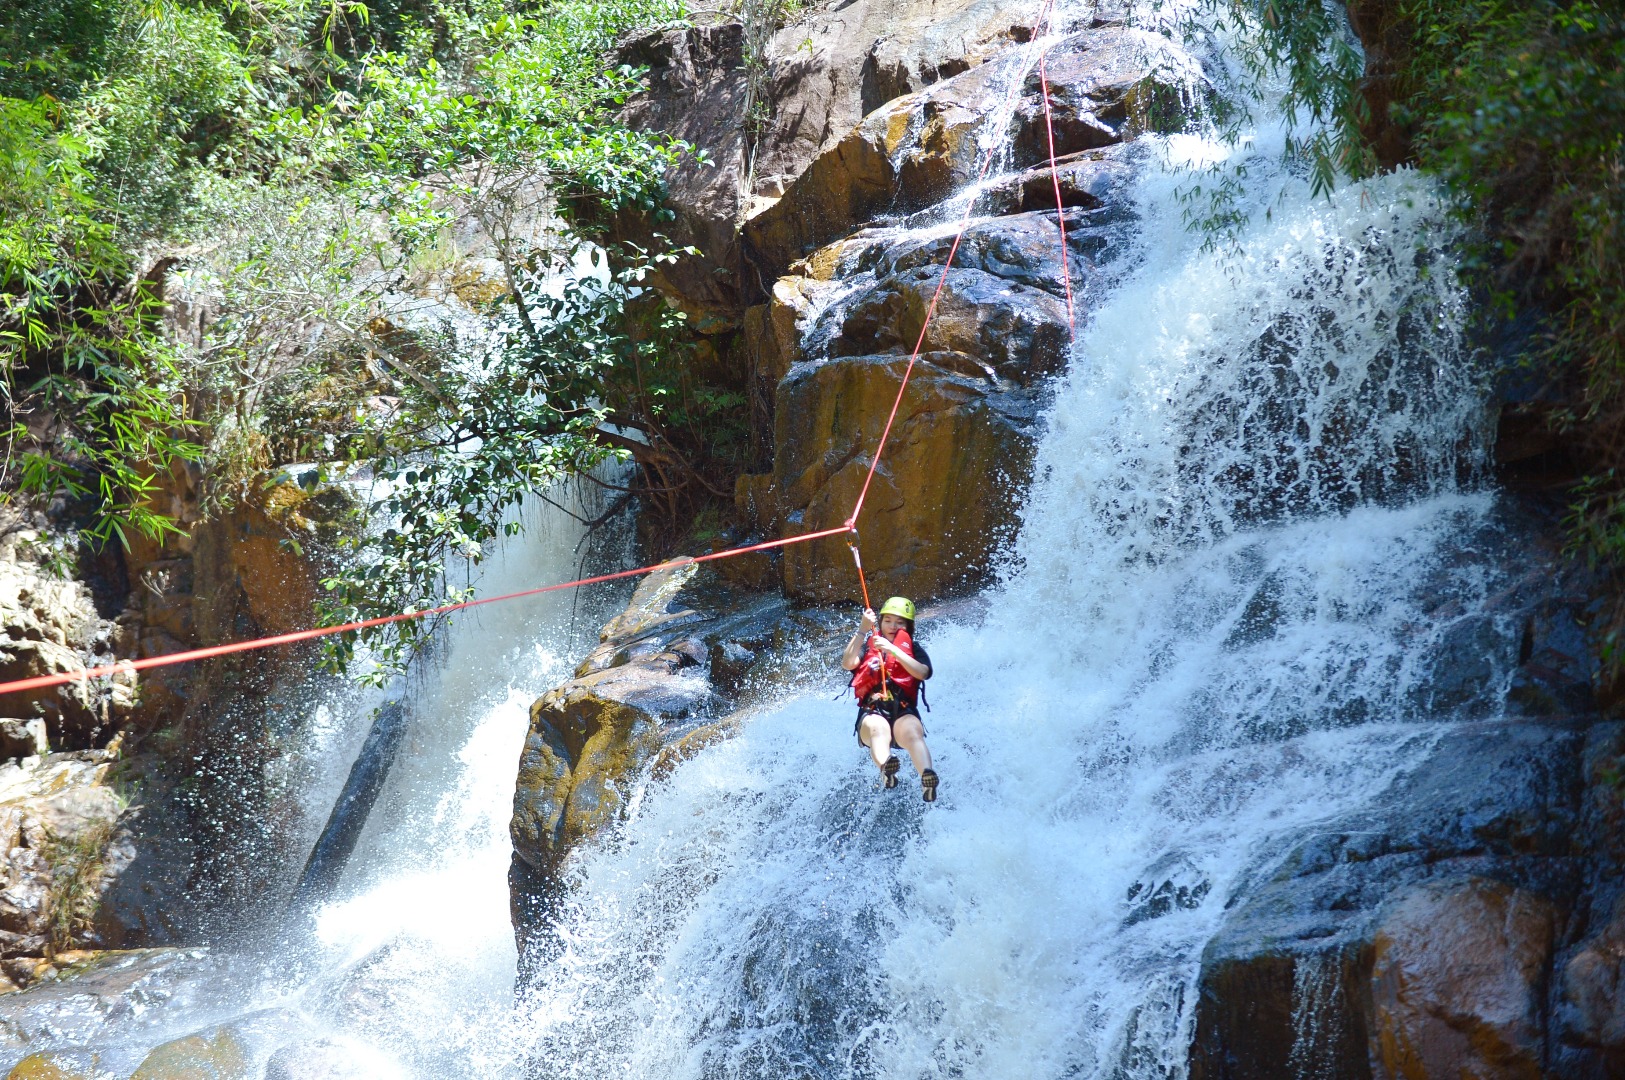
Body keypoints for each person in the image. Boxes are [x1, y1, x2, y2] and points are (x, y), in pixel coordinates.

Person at [841, 596, 938, 801]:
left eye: (900, 622)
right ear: (880, 622)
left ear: (908, 626)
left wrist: (892, 649)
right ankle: (886, 768)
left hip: (903, 711)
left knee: (913, 732)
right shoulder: (869, 645)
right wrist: (862, 630)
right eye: (888, 621)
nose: (893, 626)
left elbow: (923, 672)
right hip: (873, 711)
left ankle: (927, 777)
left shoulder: (913, 649)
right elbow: (848, 663)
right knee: (878, 729)